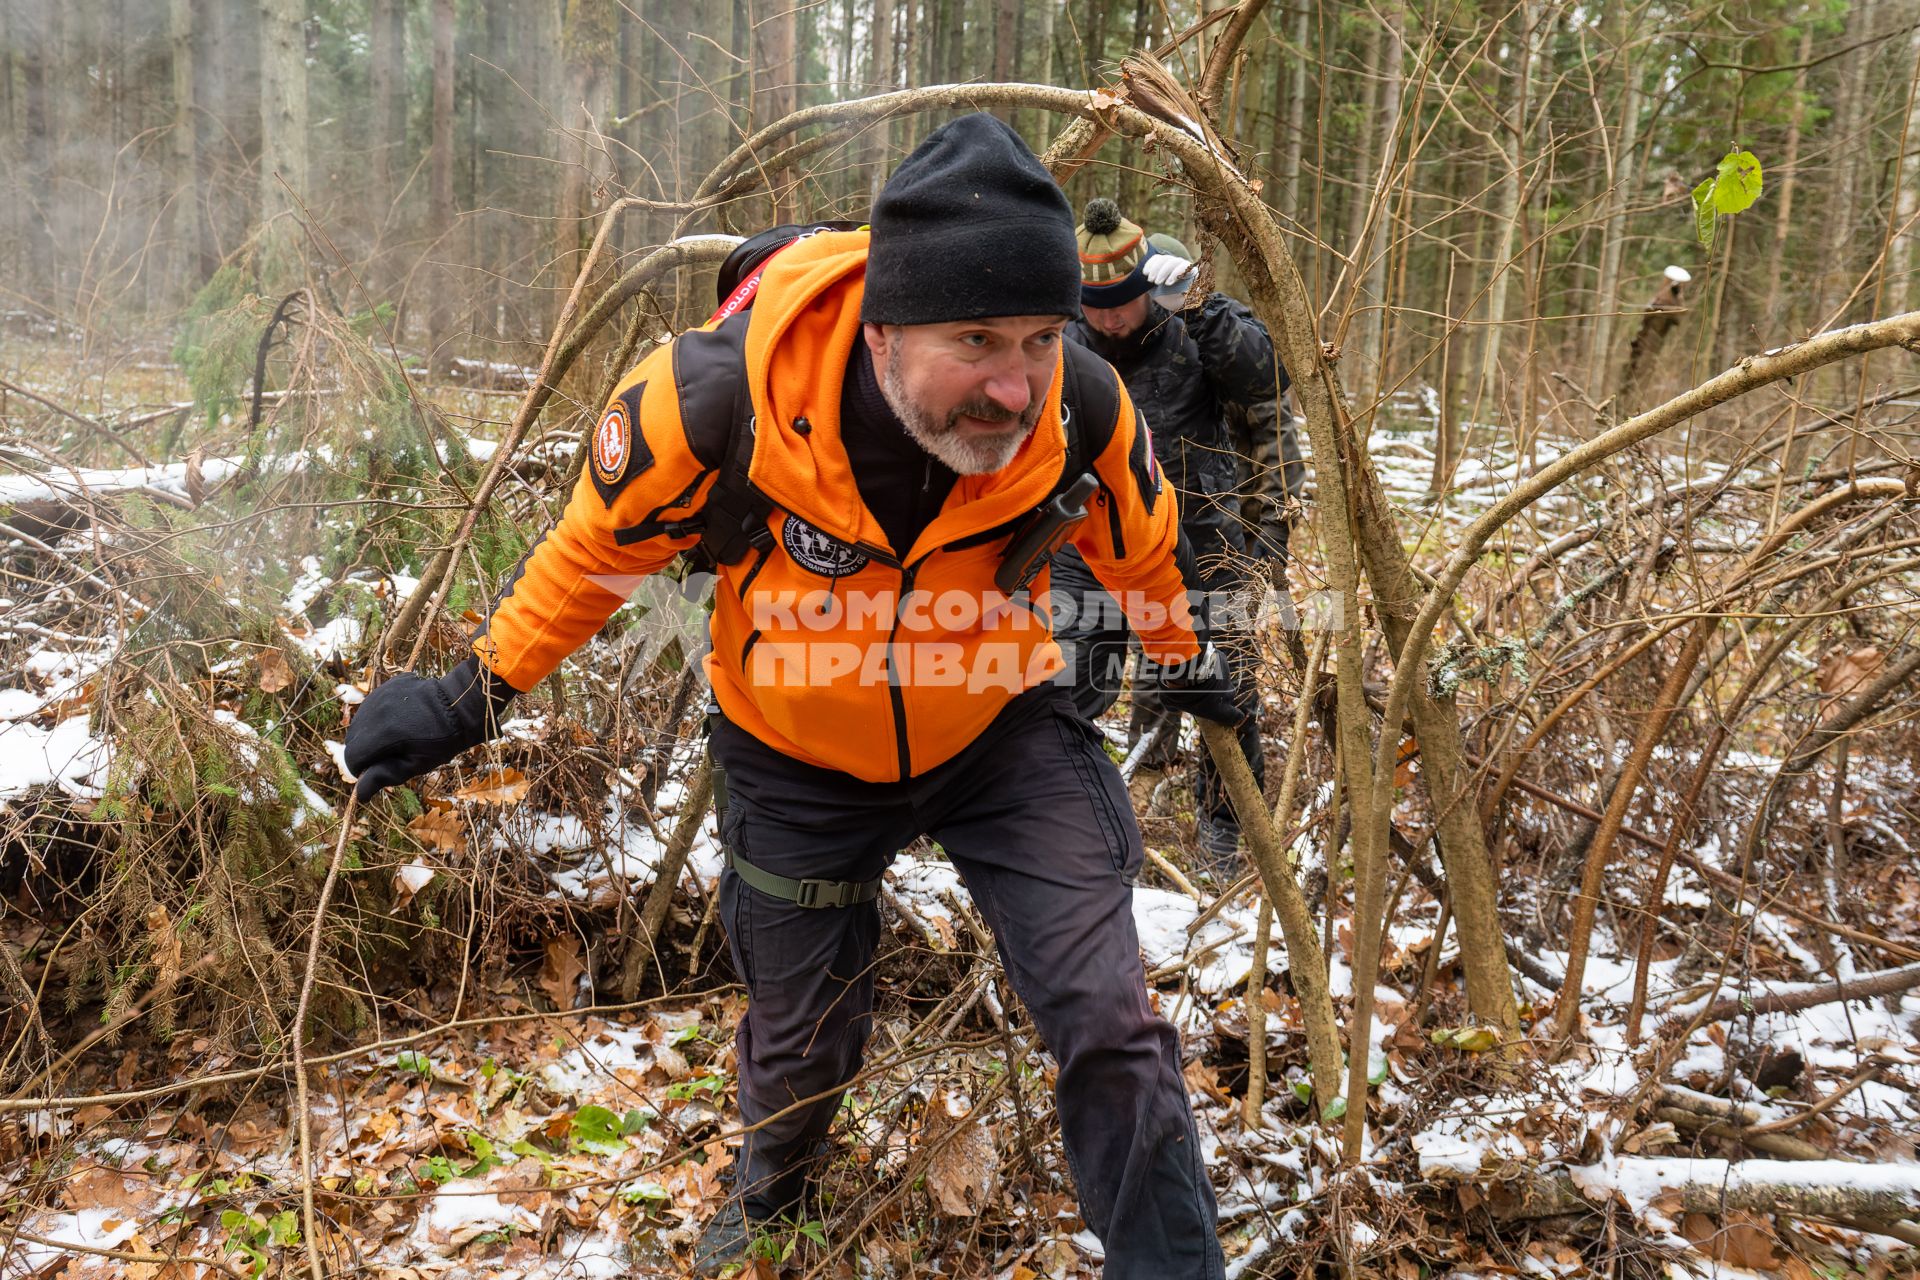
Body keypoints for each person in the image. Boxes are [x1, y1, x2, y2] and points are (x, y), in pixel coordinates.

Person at [343, 115, 1237, 1279]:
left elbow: (1140, 545)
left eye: (1036, 337)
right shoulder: (718, 402)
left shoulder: (1079, 410)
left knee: (1110, 1017)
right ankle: (774, 1193)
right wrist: (471, 695)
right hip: (794, 746)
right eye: (974, 338)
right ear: (882, 330)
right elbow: (592, 555)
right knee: (804, 1032)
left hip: (998, 723)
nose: (1012, 384)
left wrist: (1195, 658)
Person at [1051, 201, 1299, 875]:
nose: (1110, 320)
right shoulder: (1059, 335)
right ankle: (1068, 819)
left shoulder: (1189, 323)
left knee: (1225, 685)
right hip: (1088, 541)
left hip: (1201, 532)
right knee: (1068, 678)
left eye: (1122, 305)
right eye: (1094, 306)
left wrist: (1202, 304)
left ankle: (1224, 826)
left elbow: (1268, 382)